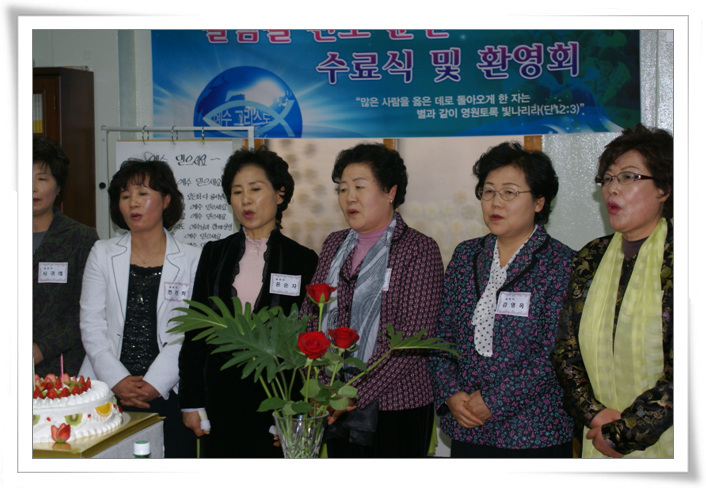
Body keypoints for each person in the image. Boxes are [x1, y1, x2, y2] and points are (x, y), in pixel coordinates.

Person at [429, 141, 575, 458]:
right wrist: (451, 394)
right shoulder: (466, 255)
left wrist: (492, 401)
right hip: (468, 424)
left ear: (539, 201)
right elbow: (441, 336)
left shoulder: (562, 264)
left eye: (509, 192)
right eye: (488, 191)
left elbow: (555, 353)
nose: (495, 202)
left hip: (534, 432)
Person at [300, 142, 444, 458]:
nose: (349, 197)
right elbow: (310, 315)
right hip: (333, 400)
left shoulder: (418, 249)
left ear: (390, 191)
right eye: (342, 189)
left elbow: (413, 339)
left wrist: (353, 394)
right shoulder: (334, 244)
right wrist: (323, 386)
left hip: (397, 406)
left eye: (359, 187)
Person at [177, 146, 318, 458]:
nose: (245, 200)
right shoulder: (214, 253)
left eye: (255, 189)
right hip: (219, 399)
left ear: (280, 194)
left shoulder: (302, 259)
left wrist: (296, 410)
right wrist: (191, 401)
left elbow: (307, 341)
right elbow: (195, 331)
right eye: (237, 191)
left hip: (277, 398)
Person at [552, 124, 673, 458]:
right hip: (597, 432)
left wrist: (622, 433)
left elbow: (690, 370)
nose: (612, 189)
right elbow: (566, 352)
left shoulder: (685, 258)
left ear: (663, 189)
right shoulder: (591, 257)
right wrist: (594, 414)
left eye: (628, 177)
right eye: (607, 179)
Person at [79, 158, 201, 458]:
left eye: (143, 193)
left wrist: (155, 382)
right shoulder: (102, 253)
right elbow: (92, 323)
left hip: (169, 388)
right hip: (108, 389)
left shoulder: (192, 258)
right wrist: (118, 379)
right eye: (125, 196)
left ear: (166, 199)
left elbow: (189, 329)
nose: (133, 203)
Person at [33, 137, 99, 377]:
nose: (32, 187)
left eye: (42, 179)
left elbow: (88, 310)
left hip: (61, 369)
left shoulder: (80, 238)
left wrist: (41, 349)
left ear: (59, 186)